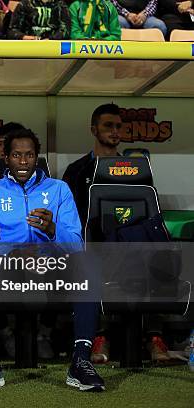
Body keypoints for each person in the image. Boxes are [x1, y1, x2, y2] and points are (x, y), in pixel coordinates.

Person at [0, 128, 106, 392]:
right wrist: (12, 252)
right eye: (16, 155)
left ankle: (81, 362)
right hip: (9, 268)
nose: (23, 161)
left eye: (29, 155)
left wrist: (52, 231)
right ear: (5, 157)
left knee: (86, 264)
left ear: (37, 157)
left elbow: (75, 243)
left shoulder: (59, 189)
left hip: (50, 266)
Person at [62, 104, 171, 364]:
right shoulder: (77, 171)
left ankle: (154, 338)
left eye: (118, 126)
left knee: (157, 260)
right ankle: (99, 337)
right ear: (93, 129)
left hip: (131, 246)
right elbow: (68, 217)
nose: (115, 131)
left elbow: (148, 214)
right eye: (108, 125)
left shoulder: (135, 169)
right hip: (92, 247)